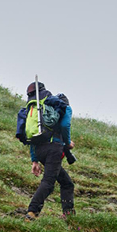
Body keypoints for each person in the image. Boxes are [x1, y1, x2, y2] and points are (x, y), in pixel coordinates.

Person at [24, 81, 75, 221]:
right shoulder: (63, 106)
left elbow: (32, 137)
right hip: (54, 149)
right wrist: (67, 142)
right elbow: (65, 125)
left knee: (66, 183)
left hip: (40, 150)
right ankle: (32, 212)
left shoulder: (39, 108)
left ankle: (69, 215)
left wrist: (34, 160)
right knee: (48, 182)